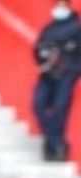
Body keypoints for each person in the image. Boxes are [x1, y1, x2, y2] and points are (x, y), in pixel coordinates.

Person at [34, 0, 81, 161]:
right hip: (47, 73)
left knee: (60, 108)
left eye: (63, 4)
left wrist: (73, 69)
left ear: (69, 6)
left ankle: (54, 147)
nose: (59, 8)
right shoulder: (49, 27)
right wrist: (42, 61)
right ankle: (56, 141)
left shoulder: (77, 27)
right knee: (38, 105)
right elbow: (38, 48)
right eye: (57, 4)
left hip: (66, 74)